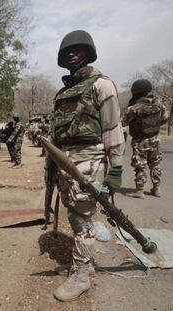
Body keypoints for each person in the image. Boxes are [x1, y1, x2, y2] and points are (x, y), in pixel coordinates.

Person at [50, 30, 124, 301]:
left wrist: (115, 170)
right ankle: (85, 260)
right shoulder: (63, 93)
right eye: (67, 51)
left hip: (89, 161)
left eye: (78, 49)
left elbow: (113, 128)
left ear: (89, 53)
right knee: (75, 214)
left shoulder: (101, 84)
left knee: (81, 221)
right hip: (65, 163)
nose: (72, 53)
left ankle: (82, 275)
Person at [122, 79, 168, 198]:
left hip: (140, 141)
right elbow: (164, 119)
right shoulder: (159, 104)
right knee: (155, 163)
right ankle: (156, 189)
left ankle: (139, 191)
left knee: (140, 165)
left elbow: (123, 122)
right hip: (155, 139)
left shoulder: (134, 108)